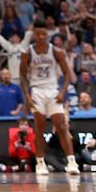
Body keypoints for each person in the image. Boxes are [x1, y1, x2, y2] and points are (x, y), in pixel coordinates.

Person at [23, 23, 82, 176]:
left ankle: (71, 161)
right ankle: (40, 163)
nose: (41, 37)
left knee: (62, 127)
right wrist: (27, 96)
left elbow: (68, 74)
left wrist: (62, 92)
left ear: (48, 35)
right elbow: (22, 77)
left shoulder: (56, 51)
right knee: (39, 129)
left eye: (44, 34)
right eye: (38, 34)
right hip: (37, 91)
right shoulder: (27, 52)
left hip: (53, 90)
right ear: (34, 34)